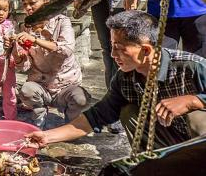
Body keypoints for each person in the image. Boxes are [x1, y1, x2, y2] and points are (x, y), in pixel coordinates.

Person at [24, 10, 206, 151]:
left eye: (119, 49)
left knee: (197, 117)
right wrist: (47, 137)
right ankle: (154, 162)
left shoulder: (191, 67)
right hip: (170, 139)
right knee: (129, 112)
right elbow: (95, 117)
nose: (113, 55)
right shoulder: (124, 78)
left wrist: (193, 101)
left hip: (197, 143)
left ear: (146, 50)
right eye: (112, 47)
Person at [16, 0, 88, 129]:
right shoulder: (25, 27)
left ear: (47, 1)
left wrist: (35, 40)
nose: (28, 8)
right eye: (25, 4)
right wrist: (18, 56)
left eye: (32, 3)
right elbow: (25, 66)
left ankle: (70, 123)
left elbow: (66, 49)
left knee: (80, 99)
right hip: (41, 85)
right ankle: (39, 118)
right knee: (27, 90)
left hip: (66, 85)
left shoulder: (62, 21)